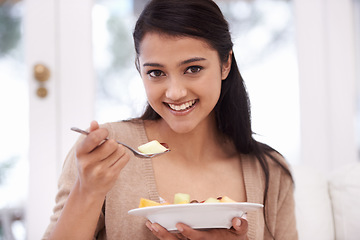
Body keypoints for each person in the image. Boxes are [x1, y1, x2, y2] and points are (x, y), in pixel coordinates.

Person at [42, 0, 298, 239]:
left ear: (225, 64)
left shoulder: (271, 171)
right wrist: (87, 190)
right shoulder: (104, 155)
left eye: (193, 69)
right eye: (156, 72)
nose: (175, 92)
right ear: (139, 69)